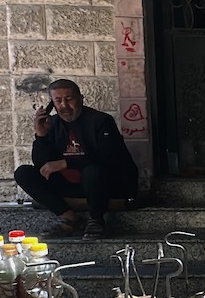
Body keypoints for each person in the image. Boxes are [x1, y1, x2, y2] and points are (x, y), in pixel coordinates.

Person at [13, 79, 138, 240]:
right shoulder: (53, 124)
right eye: (58, 101)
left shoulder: (101, 121)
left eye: (69, 99)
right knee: (23, 173)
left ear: (80, 99)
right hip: (69, 184)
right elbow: (41, 165)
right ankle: (71, 219)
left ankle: (96, 220)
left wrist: (66, 163)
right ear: (52, 104)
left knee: (93, 170)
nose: (64, 105)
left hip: (100, 184)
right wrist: (41, 136)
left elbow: (109, 158)